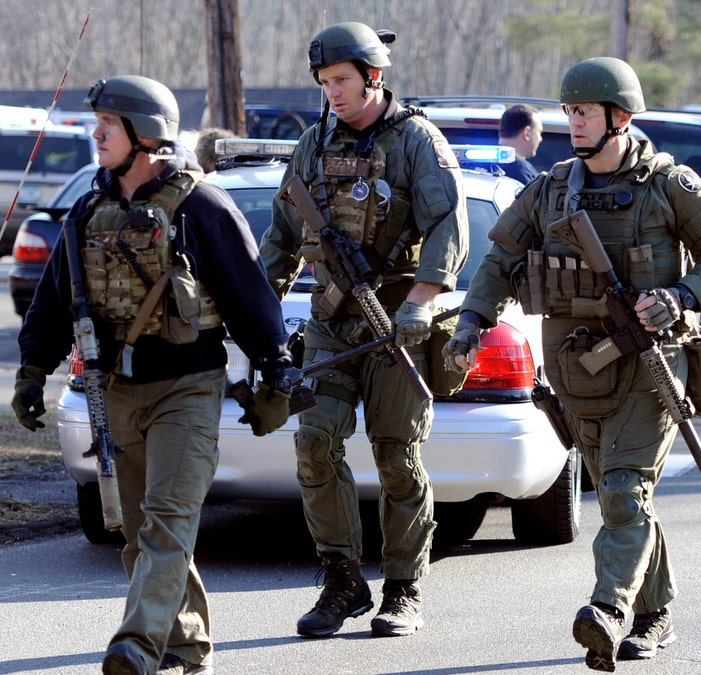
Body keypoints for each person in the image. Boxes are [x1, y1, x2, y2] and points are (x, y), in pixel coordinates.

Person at [443, 57, 701, 671]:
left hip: (651, 364)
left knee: (624, 492)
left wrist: (680, 296)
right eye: (570, 111)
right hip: (577, 369)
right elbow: (501, 258)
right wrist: (472, 321)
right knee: (619, 496)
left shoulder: (669, 186)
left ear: (620, 118)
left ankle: (606, 610)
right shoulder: (551, 188)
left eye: (585, 112)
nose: (574, 122)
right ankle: (656, 615)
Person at [11, 76, 292, 675]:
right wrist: (31, 370)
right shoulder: (89, 210)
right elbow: (55, 300)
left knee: (168, 520)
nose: (96, 134)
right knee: (139, 534)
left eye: (108, 124)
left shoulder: (201, 206)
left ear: (145, 134)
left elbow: (250, 296)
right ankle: (187, 647)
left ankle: (136, 644)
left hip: (187, 387)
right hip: (114, 390)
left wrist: (275, 367)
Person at [258, 22, 469, 639]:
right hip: (331, 322)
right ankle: (341, 582)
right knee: (314, 443)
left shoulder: (415, 142)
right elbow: (280, 238)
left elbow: (448, 227)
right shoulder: (312, 144)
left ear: (375, 77)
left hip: (399, 325)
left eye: (342, 81)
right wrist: (253, 311)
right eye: (324, 83)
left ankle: (403, 590)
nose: (333, 94)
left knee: (398, 457)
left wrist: (423, 301)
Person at [498, 103, 543, 184]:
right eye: (539, 132)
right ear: (527, 132)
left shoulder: (478, 163)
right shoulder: (522, 171)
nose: (540, 139)